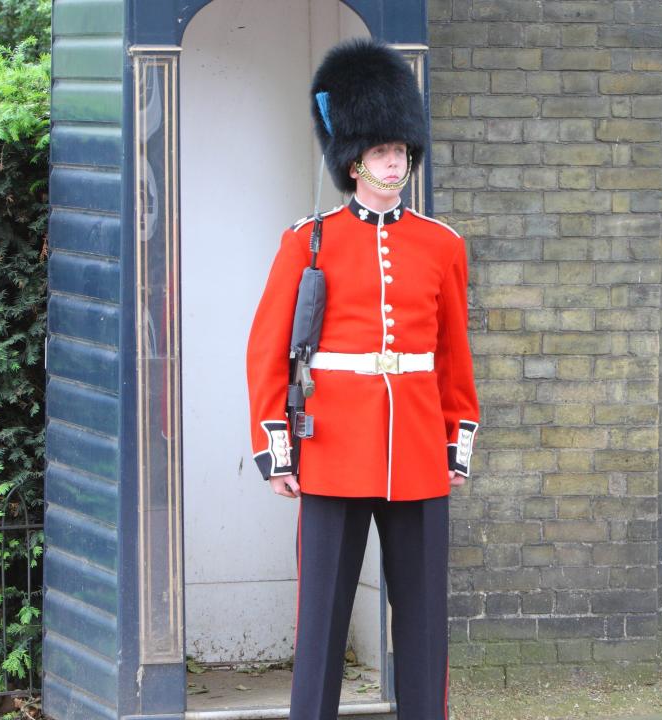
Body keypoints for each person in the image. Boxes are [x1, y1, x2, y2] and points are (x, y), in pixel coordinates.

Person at [245, 38, 479, 720]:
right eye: (384, 152)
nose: (396, 161)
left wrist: (455, 439)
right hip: (331, 448)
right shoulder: (307, 239)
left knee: (424, 622)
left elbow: (452, 354)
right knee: (321, 620)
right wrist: (275, 445)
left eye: (402, 151)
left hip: (414, 453)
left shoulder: (442, 245)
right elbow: (267, 351)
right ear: (354, 160)